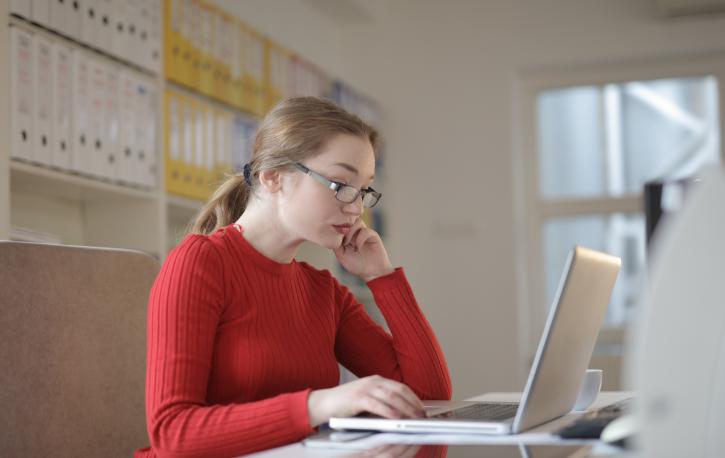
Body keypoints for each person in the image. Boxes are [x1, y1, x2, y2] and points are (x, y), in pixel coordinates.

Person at [135, 97, 452, 457]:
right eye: (340, 184)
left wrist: (382, 277)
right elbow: (173, 436)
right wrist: (318, 405)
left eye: (364, 189)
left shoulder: (323, 292)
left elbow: (429, 401)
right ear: (273, 177)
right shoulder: (200, 263)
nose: (355, 208)